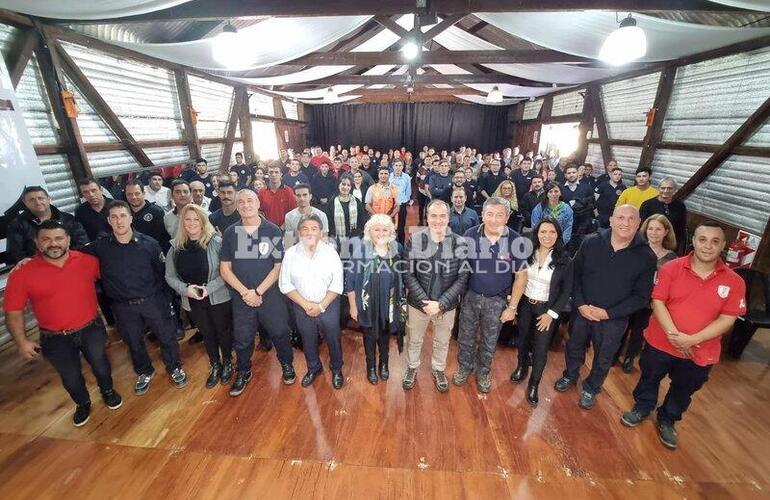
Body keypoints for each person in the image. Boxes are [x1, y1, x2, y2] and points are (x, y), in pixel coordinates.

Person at [620, 221, 746, 450]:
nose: (708, 246)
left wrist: (693, 340)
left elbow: (728, 318)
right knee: (649, 377)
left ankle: (668, 420)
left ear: (723, 246)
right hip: (661, 341)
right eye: (702, 239)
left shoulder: (734, 281)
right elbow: (658, 301)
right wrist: (674, 335)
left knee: (684, 388)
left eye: (715, 241)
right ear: (693, 241)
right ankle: (642, 407)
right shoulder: (671, 268)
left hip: (701, 350)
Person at [4, 220, 122, 427]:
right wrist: (21, 341)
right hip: (54, 338)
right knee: (70, 377)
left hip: (91, 328)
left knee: (101, 365)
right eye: (46, 239)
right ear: (37, 243)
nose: (53, 244)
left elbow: (116, 274)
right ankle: (83, 403)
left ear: (68, 240)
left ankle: (108, 391)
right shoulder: (22, 273)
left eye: (58, 238)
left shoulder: (88, 261)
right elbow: (13, 311)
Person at [554, 205, 656, 410]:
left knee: (604, 357)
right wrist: (581, 304)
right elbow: (576, 275)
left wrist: (609, 313)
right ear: (611, 220)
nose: (625, 223)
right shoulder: (591, 242)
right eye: (620, 217)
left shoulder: (647, 256)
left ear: (638, 224)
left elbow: (642, 297)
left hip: (614, 319)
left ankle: (591, 388)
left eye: (631, 219)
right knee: (574, 347)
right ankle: (570, 375)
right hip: (582, 311)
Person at [85, 201, 187, 394]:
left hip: (153, 301)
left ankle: (174, 367)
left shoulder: (150, 244)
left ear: (131, 218)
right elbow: (70, 253)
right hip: (123, 307)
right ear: (108, 220)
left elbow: (163, 273)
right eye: (114, 217)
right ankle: (144, 371)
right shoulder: (100, 247)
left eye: (123, 216)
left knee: (167, 337)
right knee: (133, 341)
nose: (119, 221)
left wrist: (166, 302)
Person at [219, 189, 296, 396]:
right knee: (243, 339)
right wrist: (246, 293)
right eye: (241, 202)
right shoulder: (230, 233)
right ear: (236, 205)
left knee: (280, 332)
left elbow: (278, 267)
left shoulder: (272, 230)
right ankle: (243, 371)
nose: (245, 205)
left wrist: (259, 291)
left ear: (258, 202)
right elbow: (225, 269)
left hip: (270, 295)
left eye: (250, 200)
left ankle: (287, 364)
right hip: (242, 297)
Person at [454, 197, 528, 393]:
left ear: (507, 217)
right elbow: (460, 268)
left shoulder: (515, 240)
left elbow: (521, 276)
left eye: (499, 215)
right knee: (465, 336)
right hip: (471, 296)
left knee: (489, 339)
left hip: (498, 299)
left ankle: (483, 371)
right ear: (482, 215)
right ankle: (464, 367)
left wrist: (513, 308)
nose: (494, 219)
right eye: (489, 214)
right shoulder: (470, 235)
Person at [403, 200, 470, 392]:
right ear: (427, 217)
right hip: (418, 304)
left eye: (442, 216)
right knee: (414, 339)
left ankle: (438, 369)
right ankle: (412, 367)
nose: (438, 220)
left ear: (448, 218)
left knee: (442, 341)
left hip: (446, 306)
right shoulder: (415, 240)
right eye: (433, 215)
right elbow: (408, 273)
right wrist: (425, 302)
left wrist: (441, 303)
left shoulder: (460, 242)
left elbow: (462, 277)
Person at [165, 204, 233, 389]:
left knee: (224, 331)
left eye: (196, 219)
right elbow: (169, 276)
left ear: (203, 222)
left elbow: (228, 272)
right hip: (192, 300)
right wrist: (185, 289)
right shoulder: (175, 247)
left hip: (218, 297)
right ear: (182, 222)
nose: (192, 223)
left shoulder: (217, 242)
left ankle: (227, 362)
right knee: (207, 334)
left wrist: (208, 288)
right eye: (188, 219)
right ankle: (215, 364)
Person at [509, 218, 573, 407]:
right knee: (522, 339)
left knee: (540, 348)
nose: (547, 236)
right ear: (537, 234)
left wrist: (551, 314)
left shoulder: (565, 260)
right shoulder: (527, 253)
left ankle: (534, 383)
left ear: (558, 235)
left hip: (547, 310)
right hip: (526, 305)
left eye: (552, 232)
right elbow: (517, 278)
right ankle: (521, 366)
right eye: (543, 232)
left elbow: (566, 291)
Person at [279, 214, 345, 389]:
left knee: (333, 338)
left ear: (321, 232)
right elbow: (285, 284)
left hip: (328, 305)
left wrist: (321, 305)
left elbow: (337, 285)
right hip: (302, 306)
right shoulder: (290, 254)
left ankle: (337, 369)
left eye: (314, 229)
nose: (309, 232)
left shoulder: (331, 253)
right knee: (307, 339)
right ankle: (313, 368)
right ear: (299, 232)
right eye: (305, 229)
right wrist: (306, 305)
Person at [345, 215, 406, 385]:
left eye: (384, 229)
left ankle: (384, 365)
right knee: (370, 336)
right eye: (376, 229)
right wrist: (353, 307)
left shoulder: (397, 249)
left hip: (389, 302)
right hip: (367, 303)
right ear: (369, 231)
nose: (380, 233)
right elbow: (350, 281)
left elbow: (403, 276)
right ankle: (371, 366)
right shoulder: (361, 250)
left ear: (391, 231)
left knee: (385, 335)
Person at [618, 214, 678, 373]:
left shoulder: (671, 258)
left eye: (658, 229)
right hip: (630, 296)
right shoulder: (636, 249)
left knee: (639, 330)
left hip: (651, 301)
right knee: (623, 326)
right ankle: (614, 353)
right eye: (650, 228)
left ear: (666, 232)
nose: (654, 232)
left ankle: (630, 357)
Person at [6, 186, 89, 264]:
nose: (38, 202)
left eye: (41, 198)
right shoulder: (17, 225)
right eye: (32, 200)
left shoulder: (68, 219)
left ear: (48, 199)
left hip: (70, 263)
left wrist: (63, 258)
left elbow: (82, 244)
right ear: (25, 203)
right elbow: (16, 254)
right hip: (38, 269)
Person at [640, 178, 688, 255]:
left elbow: (681, 230)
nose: (665, 191)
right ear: (658, 188)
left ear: (675, 190)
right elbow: (641, 228)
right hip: (649, 246)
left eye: (669, 188)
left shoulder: (680, 206)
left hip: (671, 246)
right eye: (663, 188)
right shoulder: (647, 205)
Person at [125, 180, 170, 253]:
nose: (133, 197)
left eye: (137, 193)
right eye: (129, 194)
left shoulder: (156, 212)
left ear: (143, 193)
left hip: (152, 254)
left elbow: (162, 239)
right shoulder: (124, 213)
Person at [560, 165, 594, 252]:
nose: (571, 175)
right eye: (569, 173)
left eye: (574, 172)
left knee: (580, 250)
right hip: (565, 224)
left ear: (578, 173)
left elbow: (592, 204)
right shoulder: (560, 188)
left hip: (582, 225)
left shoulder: (586, 187)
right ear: (565, 175)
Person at [324, 174, 366, 241]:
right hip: (336, 239)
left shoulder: (357, 201)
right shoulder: (332, 202)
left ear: (351, 187)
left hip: (354, 239)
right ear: (339, 185)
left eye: (348, 185)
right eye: (343, 184)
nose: (345, 187)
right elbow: (329, 223)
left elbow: (362, 221)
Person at [258, 164, 296, 229]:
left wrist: (282, 228)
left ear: (281, 174)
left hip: (286, 230)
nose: (274, 175)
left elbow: (293, 212)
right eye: (271, 172)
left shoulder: (288, 191)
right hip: (267, 231)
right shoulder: (262, 192)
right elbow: (259, 211)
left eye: (276, 172)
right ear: (267, 174)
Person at [389, 159, 412, 244]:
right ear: (393, 166)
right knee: (390, 227)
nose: (398, 167)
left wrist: (404, 201)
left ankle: (401, 247)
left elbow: (408, 192)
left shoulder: (406, 177)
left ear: (403, 166)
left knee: (401, 227)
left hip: (401, 205)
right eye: (396, 165)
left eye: (400, 165)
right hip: (390, 206)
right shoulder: (389, 176)